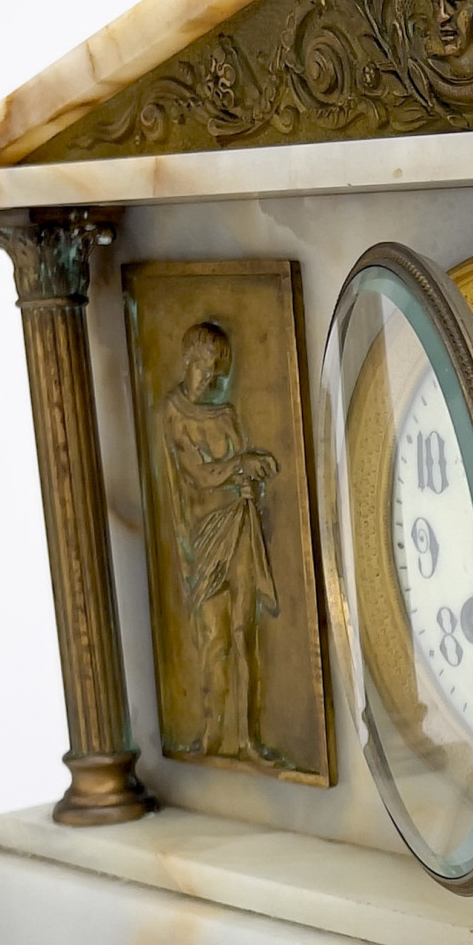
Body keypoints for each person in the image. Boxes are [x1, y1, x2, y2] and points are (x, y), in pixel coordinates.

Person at [161, 321, 280, 763]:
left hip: (239, 528)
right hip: (202, 537)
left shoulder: (227, 415)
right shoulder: (173, 413)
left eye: (216, 371)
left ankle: (248, 740)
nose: (207, 378)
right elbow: (199, 473)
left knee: (244, 633)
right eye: (202, 367)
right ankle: (211, 736)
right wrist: (241, 464)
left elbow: (240, 473)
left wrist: (252, 479)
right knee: (214, 637)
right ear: (187, 361)